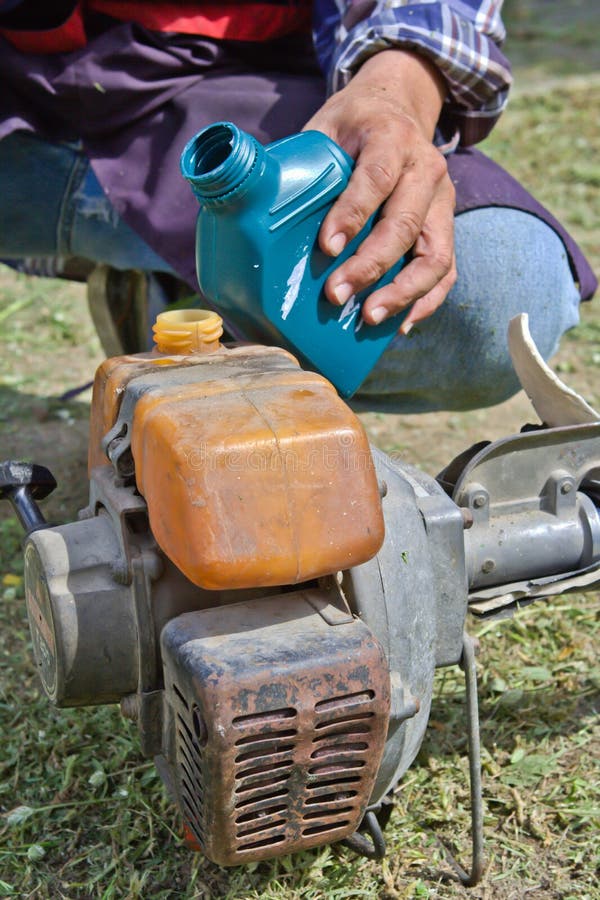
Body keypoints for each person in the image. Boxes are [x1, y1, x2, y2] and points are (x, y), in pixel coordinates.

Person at [0, 1, 596, 412]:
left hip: (247, 79)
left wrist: (395, 87)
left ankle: (195, 316)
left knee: (501, 285)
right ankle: (194, 290)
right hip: (20, 91)